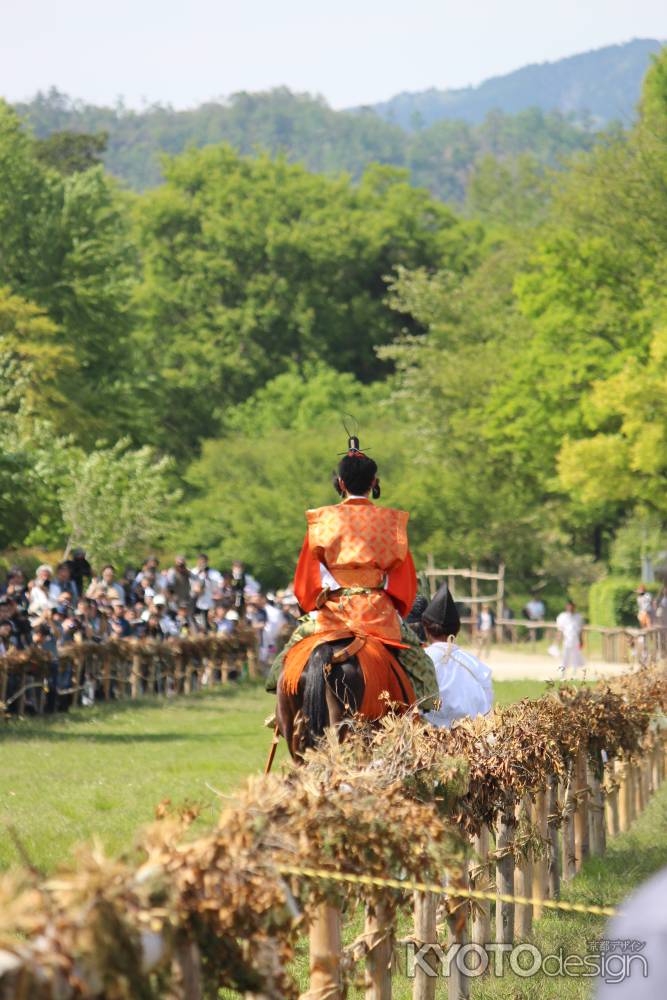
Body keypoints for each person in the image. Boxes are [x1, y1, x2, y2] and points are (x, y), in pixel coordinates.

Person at [266, 435, 438, 710]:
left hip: (333, 614)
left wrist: (319, 599)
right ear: (373, 483)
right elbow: (403, 578)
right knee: (422, 667)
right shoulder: (392, 522)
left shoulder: (322, 521)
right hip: (377, 613)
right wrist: (394, 603)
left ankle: (282, 705)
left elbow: (308, 575)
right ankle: (422, 713)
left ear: (341, 484)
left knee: (285, 661)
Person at [421, 583, 493, 729]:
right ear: (457, 630)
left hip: (433, 736)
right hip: (475, 735)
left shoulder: (423, 660)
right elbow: (487, 702)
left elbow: (424, 705)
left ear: (426, 629)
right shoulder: (474, 663)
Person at [556, 599, 584, 676]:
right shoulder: (562, 616)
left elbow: (580, 630)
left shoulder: (578, 617)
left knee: (575, 657)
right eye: (569, 606)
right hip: (566, 640)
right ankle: (562, 673)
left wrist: (581, 640)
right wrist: (558, 641)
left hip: (575, 640)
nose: (570, 608)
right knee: (565, 657)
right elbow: (560, 630)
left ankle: (574, 673)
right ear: (566, 607)